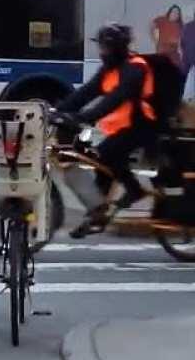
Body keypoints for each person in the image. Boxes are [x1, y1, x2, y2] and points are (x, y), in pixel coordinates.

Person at [58, 24, 157, 234]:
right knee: (99, 159)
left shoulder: (136, 68)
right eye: (101, 47)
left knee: (106, 154)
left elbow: (115, 99)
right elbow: (85, 93)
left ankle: (134, 190)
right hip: (122, 127)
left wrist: (84, 117)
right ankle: (98, 212)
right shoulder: (108, 69)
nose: (102, 53)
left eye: (106, 48)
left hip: (143, 125)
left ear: (118, 48)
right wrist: (57, 111)